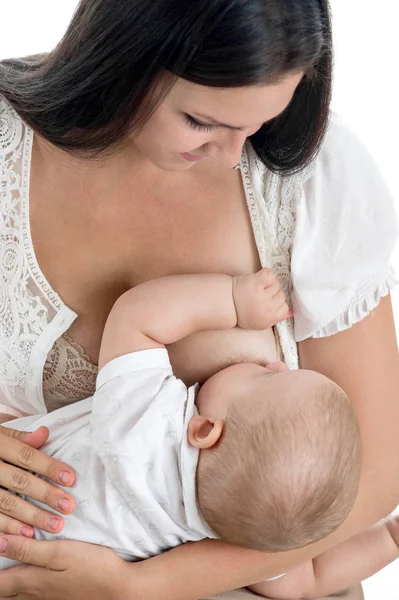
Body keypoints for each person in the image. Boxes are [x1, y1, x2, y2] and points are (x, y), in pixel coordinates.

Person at [0, 1, 398, 599]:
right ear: (126, 55)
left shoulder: (313, 178)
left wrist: (143, 587)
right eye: (202, 121)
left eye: (259, 124)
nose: (236, 155)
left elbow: (378, 469)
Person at [0, 270, 362, 579]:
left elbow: (135, 314)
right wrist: (387, 542)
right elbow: (303, 582)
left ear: (205, 430)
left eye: (268, 379)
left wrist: (234, 300)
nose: (278, 365)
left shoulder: (146, 426)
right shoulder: (211, 534)